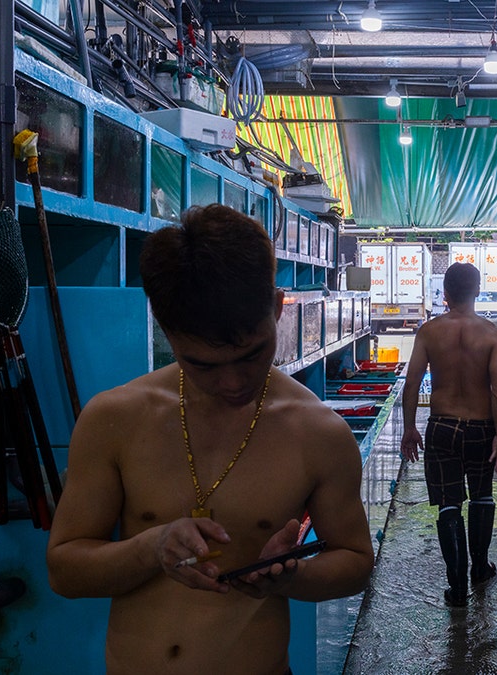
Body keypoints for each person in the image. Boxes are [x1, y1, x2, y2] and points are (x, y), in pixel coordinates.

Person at [47, 204, 374, 674]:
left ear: (278, 307)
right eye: (203, 364)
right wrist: (152, 547)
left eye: (253, 353)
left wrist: (290, 576)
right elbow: (64, 569)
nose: (233, 382)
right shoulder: (114, 419)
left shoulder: (318, 434)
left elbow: (357, 562)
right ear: (167, 332)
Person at [400, 262, 497, 608]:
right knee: (481, 497)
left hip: (442, 428)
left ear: (444, 294)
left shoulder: (429, 332)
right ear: (477, 290)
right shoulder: (493, 334)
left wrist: (408, 427)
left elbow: (413, 381)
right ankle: (480, 569)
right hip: (480, 427)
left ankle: (457, 588)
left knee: (448, 505)